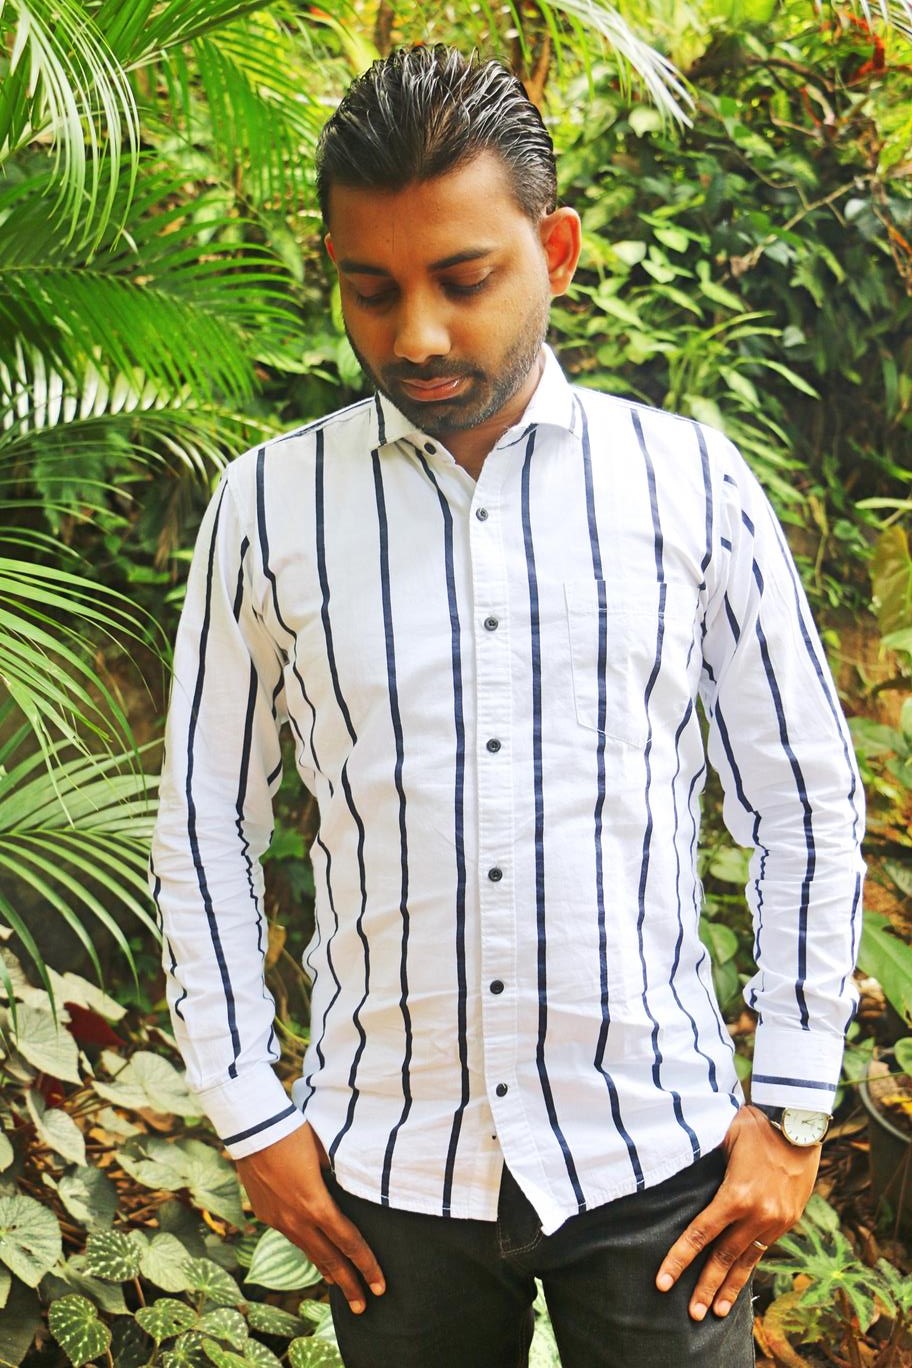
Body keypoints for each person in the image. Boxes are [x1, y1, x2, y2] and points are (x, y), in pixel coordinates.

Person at [150, 44, 865, 1368]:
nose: (416, 334)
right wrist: (249, 1112)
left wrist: (794, 1106)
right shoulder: (268, 507)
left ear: (558, 250)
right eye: (371, 290)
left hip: (657, 1160)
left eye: (465, 279)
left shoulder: (691, 486)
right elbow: (203, 823)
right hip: (384, 1169)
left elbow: (806, 800)